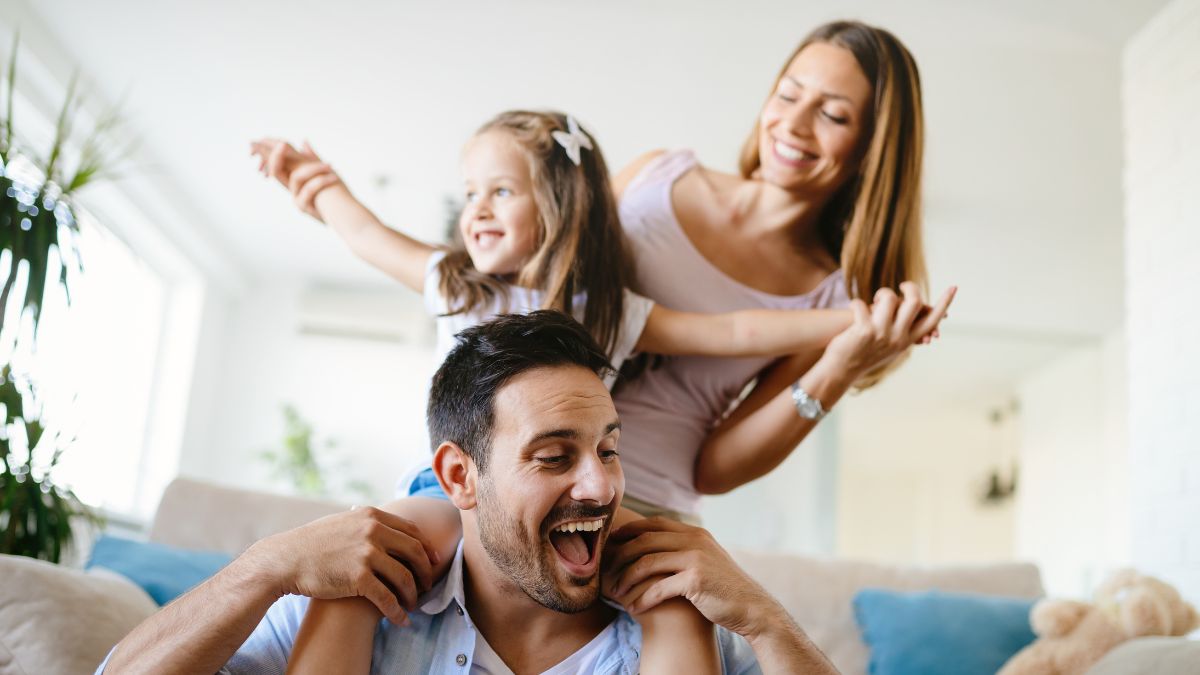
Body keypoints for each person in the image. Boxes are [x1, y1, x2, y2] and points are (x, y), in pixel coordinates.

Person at [249, 108, 948, 672]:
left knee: (672, 587)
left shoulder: (613, 310)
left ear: (555, 204)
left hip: (595, 520)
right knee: (370, 562)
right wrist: (318, 185)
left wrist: (859, 320)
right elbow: (368, 235)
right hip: (448, 501)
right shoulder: (456, 281)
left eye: (499, 191)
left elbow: (734, 329)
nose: (476, 210)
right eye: (469, 194)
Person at [97, 311, 837, 674]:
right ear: (459, 477)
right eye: (554, 456)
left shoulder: (677, 618)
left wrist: (770, 622)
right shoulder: (354, 593)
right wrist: (261, 567)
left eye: (610, 449)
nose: (601, 483)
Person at [609, 19, 943, 517]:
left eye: (832, 115)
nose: (794, 124)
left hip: (643, 505)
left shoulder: (830, 299)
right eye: (788, 96)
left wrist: (839, 367)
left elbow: (714, 470)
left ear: (871, 150)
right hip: (525, 465)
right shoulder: (653, 176)